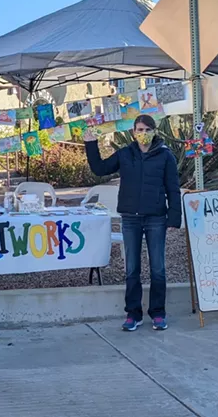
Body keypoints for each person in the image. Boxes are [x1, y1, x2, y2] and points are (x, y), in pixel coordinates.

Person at [83, 114, 181, 331]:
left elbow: (173, 188)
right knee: (132, 268)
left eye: (147, 130)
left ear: (154, 131)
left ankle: (158, 313)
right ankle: (133, 314)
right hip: (130, 218)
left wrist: (174, 217)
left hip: (156, 217)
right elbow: (100, 169)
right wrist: (91, 143)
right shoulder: (125, 154)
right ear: (133, 132)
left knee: (158, 268)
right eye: (139, 130)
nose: (143, 134)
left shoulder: (165, 156)